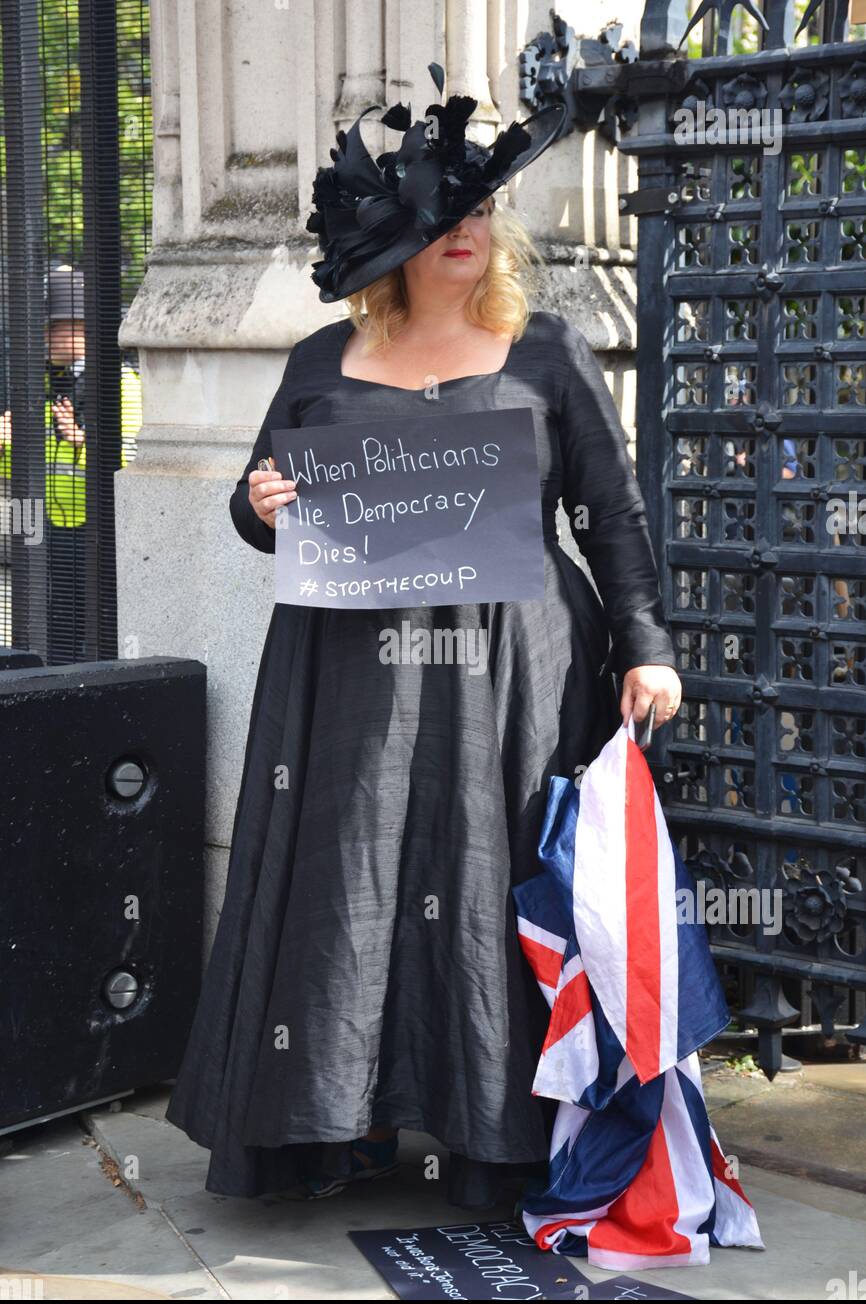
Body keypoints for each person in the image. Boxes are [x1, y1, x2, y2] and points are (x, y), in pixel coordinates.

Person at [165, 63, 682, 1208]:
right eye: (441, 211)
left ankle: (494, 1133)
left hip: (515, 673)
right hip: (345, 674)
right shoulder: (314, 361)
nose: (467, 228)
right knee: (349, 876)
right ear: (388, 237)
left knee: (487, 874)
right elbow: (257, 513)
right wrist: (256, 505)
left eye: (481, 207)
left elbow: (612, 511)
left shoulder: (547, 351)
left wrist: (645, 641)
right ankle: (329, 1124)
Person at [0, 265, 142, 660]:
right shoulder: (45, 386)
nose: (44, 337)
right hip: (51, 529)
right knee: (55, 627)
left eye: (52, 327)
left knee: (97, 631)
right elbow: (27, 469)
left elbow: (134, 459)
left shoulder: (121, 383)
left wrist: (85, 441)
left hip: (100, 530)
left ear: (82, 326)